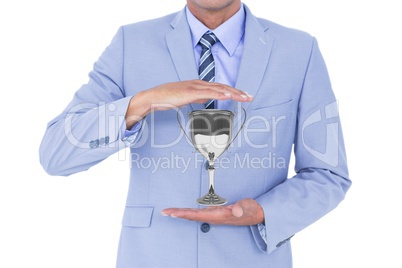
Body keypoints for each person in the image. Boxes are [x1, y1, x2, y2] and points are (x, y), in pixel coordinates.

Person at [39, 0, 351, 267]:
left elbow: (328, 174)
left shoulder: (299, 50)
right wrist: (143, 102)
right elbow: (57, 154)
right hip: (152, 257)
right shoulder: (130, 43)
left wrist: (262, 212)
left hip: (250, 258)